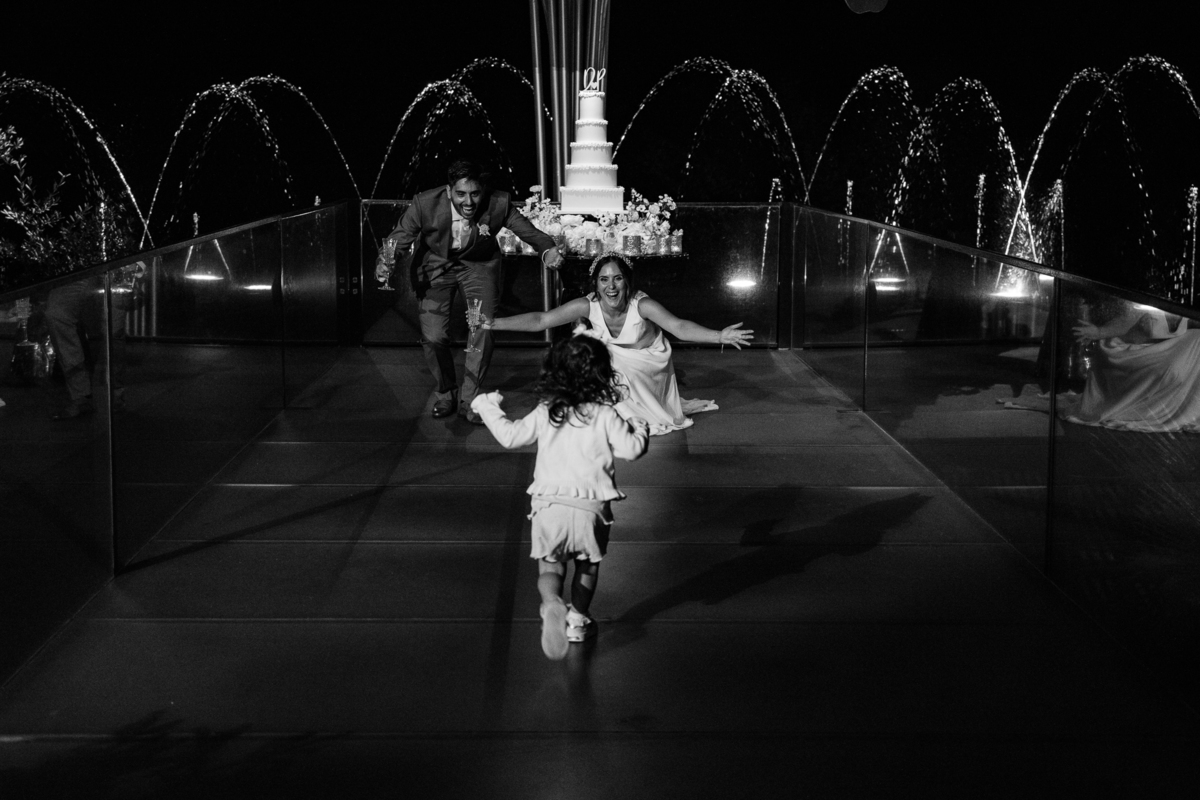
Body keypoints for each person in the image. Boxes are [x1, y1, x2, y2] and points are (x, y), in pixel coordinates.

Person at [471, 332, 649, 659]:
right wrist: (640, 427)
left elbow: (510, 437)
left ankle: (552, 602)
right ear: (602, 374)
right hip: (590, 508)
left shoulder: (547, 410)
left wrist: (487, 407)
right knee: (587, 566)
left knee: (550, 568)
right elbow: (633, 451)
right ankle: (578, 621)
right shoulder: (605, 414)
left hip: (549, 505)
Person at [375, 160, 564, 423]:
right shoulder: (425, 203)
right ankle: (446, 392)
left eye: (475, 194)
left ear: (482, 190)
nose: (469, 202)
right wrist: (385, 260)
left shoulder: (498, 202)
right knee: (434, 337)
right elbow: (399, 236)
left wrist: (548, 249)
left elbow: (529, 232)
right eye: (461, 194)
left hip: (479, 266)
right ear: (449, 190)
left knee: (482, 328)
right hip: (436, 267)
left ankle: (470, 399)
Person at [484, 251, 754, 435]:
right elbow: (541, 320)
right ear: (595, 284)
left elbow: (679, 327)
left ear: (627, 281)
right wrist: (493, 323)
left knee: (604, 360)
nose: (611, 287)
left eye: (617, 278)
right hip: (615, 361)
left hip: (648, 364)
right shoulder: (587, 304)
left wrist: (719, 336)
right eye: (604, 280)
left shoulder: (642, 304)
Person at [1061, 300, 1200, 432]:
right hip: (1128, 352)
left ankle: (1191, 408)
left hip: (1160, 351)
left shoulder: (1185, 307)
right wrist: (1099, 332)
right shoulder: (1151, 304)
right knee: (1173, 365)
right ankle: (1145, 407)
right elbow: (1124, 322)